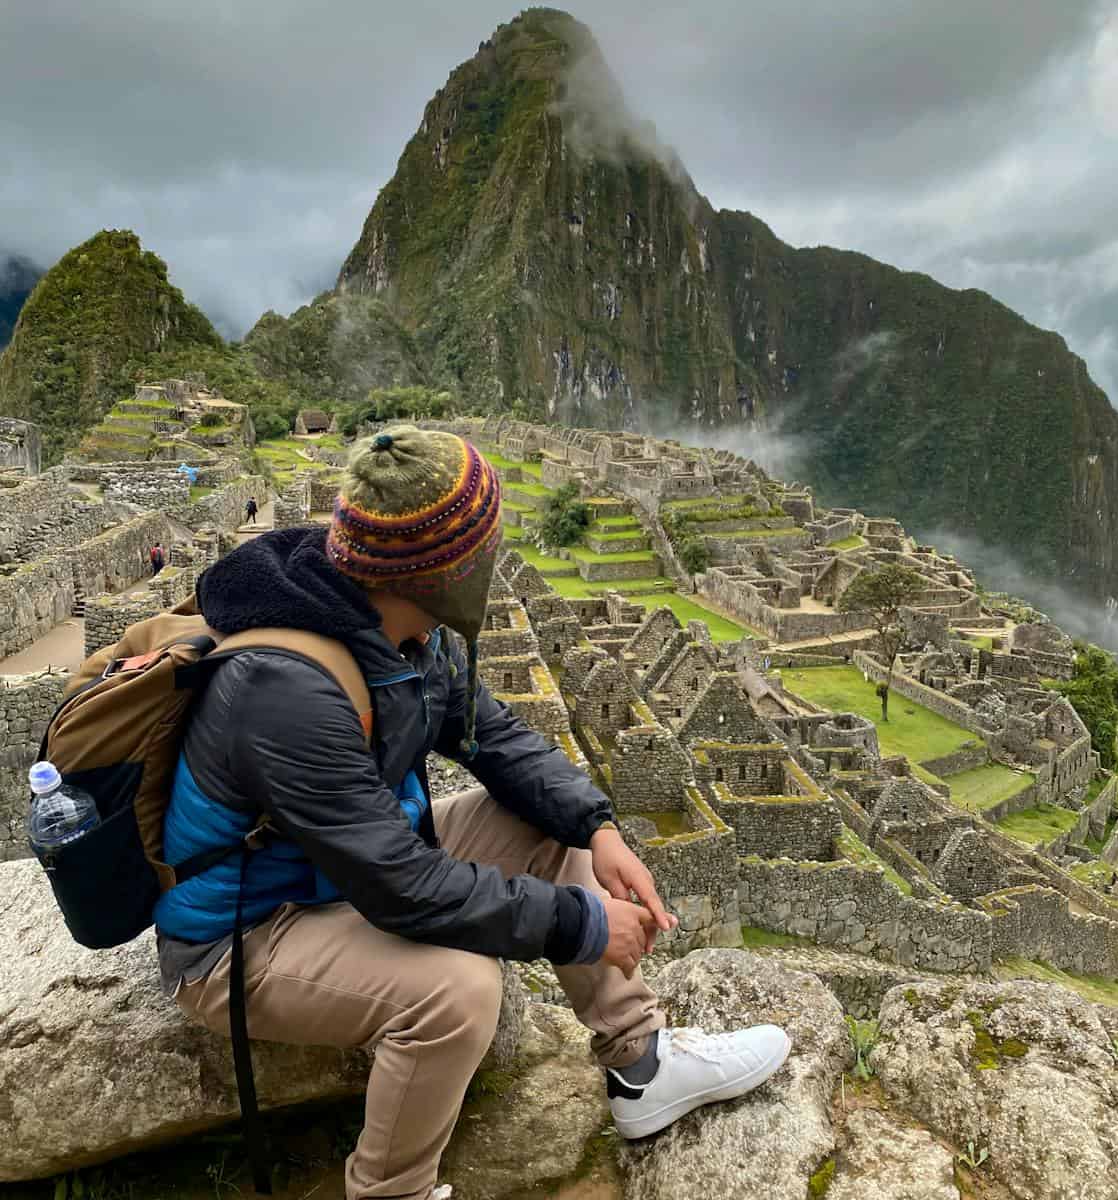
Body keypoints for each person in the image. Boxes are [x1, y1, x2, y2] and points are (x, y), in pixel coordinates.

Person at [155, 427, 790, 1200]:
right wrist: (581, 922)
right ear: (441, 567)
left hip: (338, 873)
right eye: (482, 550)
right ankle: (393, 1190)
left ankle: (642, 1064)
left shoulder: (402, 631)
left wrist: (598, 827)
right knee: (459, 991)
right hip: (247, 929)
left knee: (541, 820)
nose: (492, 563)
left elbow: (498, 741)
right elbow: (401, 885)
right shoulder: (284, 688)